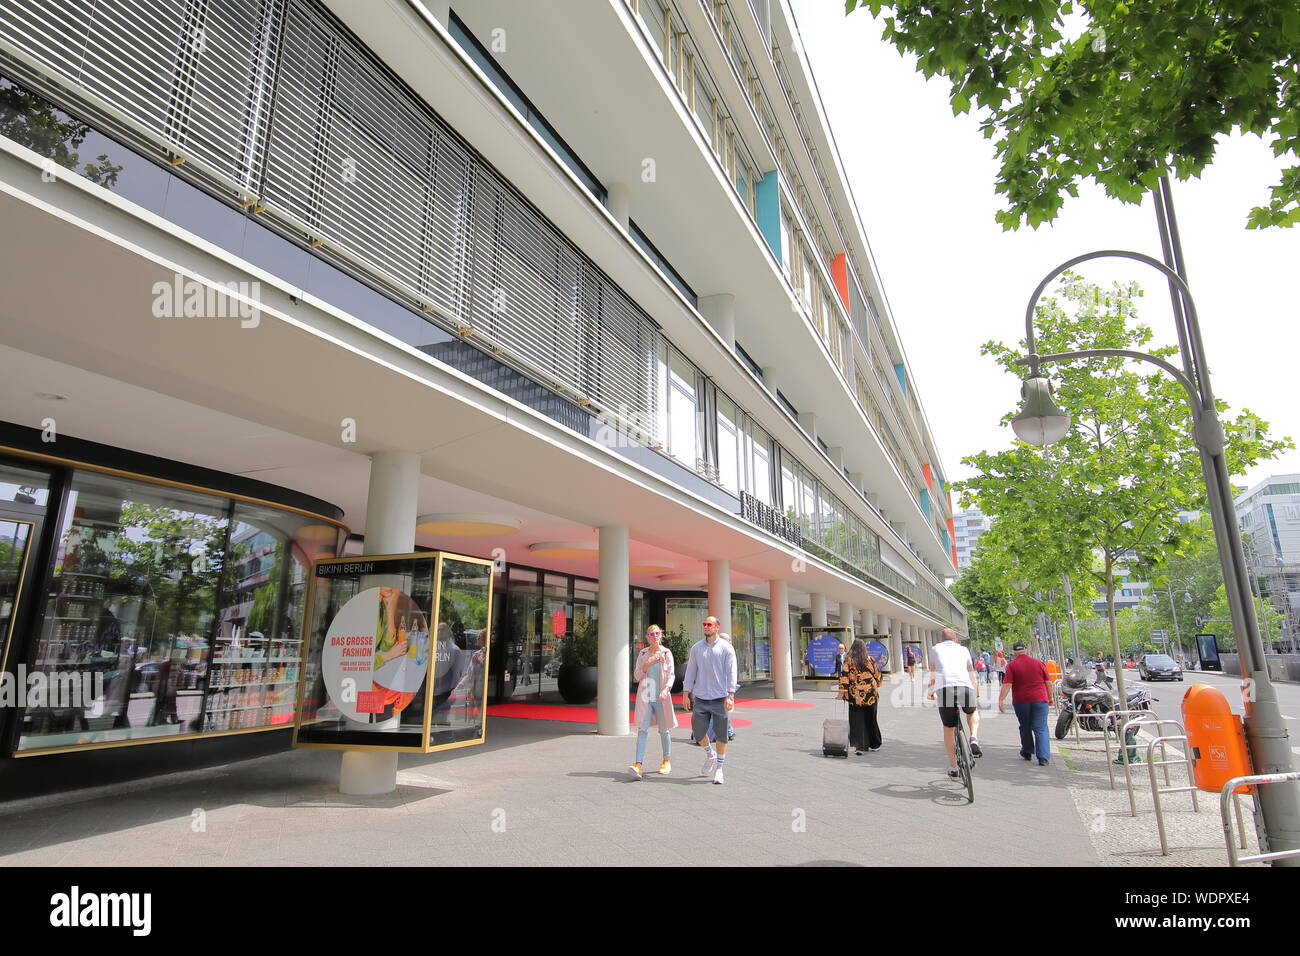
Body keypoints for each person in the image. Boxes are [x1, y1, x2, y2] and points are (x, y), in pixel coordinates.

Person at [683, 615, 738, 785]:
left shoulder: (726, 648)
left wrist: (730, 695)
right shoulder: (697, 648)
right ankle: (710, 754)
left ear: (717, 627)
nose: (706, 627)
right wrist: (686, 693)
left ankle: (719, 769)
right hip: (701, 697)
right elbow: (691, 670)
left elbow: (731, 672)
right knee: (698, 733)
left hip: (720, 698)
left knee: (721, 735)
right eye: (704, 624)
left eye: (709, 624)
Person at [927, 628, 981, 778]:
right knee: (971, 711)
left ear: (941, 638)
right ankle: (974, 738)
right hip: (964, 686)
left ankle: (953, 767)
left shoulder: (935, 649)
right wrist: (976, 690)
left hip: (944, 689)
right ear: (955, 638)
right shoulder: (964, 650)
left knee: (949, 727)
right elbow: (971, 672)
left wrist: (930, 692)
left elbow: (933, 673)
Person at [629, 625, 676, 779]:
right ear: (647, 637)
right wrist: (647, 664)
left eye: (657, 633)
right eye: (651, 634)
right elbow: (637, 676)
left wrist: (666, 690)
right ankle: (638, 764)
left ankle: (666, 760)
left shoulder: (666, 653)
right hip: (646, 697)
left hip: (661, 698)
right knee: (642, 730)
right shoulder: (643, 654)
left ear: (660, 635)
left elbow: (671, 675)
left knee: (664, 730)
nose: (654, 636)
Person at [998, 641, 1052, 766]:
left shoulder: (1011, 665)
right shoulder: (1038, 663)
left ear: (1014, 652)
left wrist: (1001, 700)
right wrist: (1050, 697)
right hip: (1040, 699)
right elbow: (1048, 682)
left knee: (1025, 726)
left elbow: (1007, 685)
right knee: (1041, 728)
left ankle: (1027, 751)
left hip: (1021, 701)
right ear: (1026, 650)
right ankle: (1043, 758)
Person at [837, 638, 883, 753]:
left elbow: (844, 677)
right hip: (871, 695)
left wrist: (842, 692)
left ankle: (860, 746)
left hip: (855, 695)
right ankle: (875, 744)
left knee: (857, 721)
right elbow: (877, 675)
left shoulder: (848, 660)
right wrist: (877, 684)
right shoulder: (869, 659)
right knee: (871, 719)